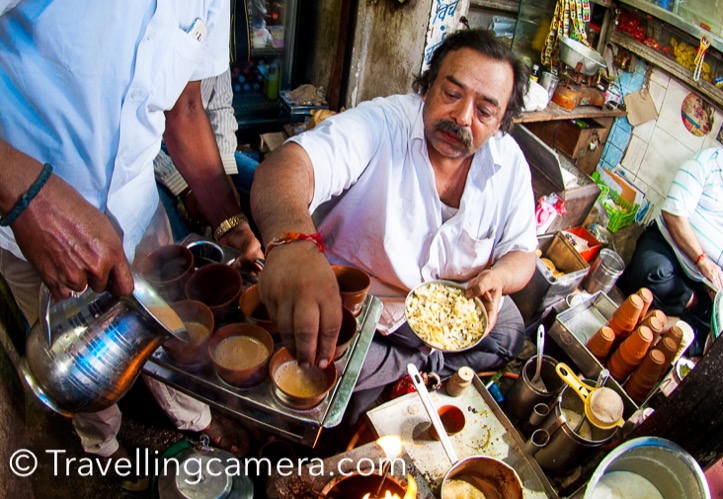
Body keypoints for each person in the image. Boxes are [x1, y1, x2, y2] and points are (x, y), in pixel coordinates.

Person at [0, 0, 263, 484]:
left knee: (168, 330)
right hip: (27, 227)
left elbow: (184, 108)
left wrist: (231, 222)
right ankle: (101, 443)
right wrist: (24, 193)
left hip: (137, 210)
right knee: (73, 360)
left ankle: (193, 418)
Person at [251, 29, 538, 423]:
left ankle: (403, 369)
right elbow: (287, 167)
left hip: (446, 309)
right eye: (451, 93)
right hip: (369, 303)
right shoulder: (382, 124)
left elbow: (524, 252)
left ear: (501, 120)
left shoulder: (510, 165)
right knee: (315, 360)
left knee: (509, 330)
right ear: (427, 85)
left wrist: (499, 277)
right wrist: (293, 244)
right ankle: (401, 371)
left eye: (485, 111)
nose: (463, 117)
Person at [620, 113, 723, 356]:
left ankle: (665, 319)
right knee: (652, 270)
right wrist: (702, 261)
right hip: (669, 254)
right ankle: (682, 315)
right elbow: (673, 214)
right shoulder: (707, 164)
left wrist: (722, 287)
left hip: (706, 286)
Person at [155, 68, 262, 241]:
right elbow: (183, 113)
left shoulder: (214, 42)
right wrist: (185, 189)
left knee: (265, 186)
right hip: (154, 151)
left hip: (202, 137)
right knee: (172, 235)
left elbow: (219, 106)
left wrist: (225, 173)